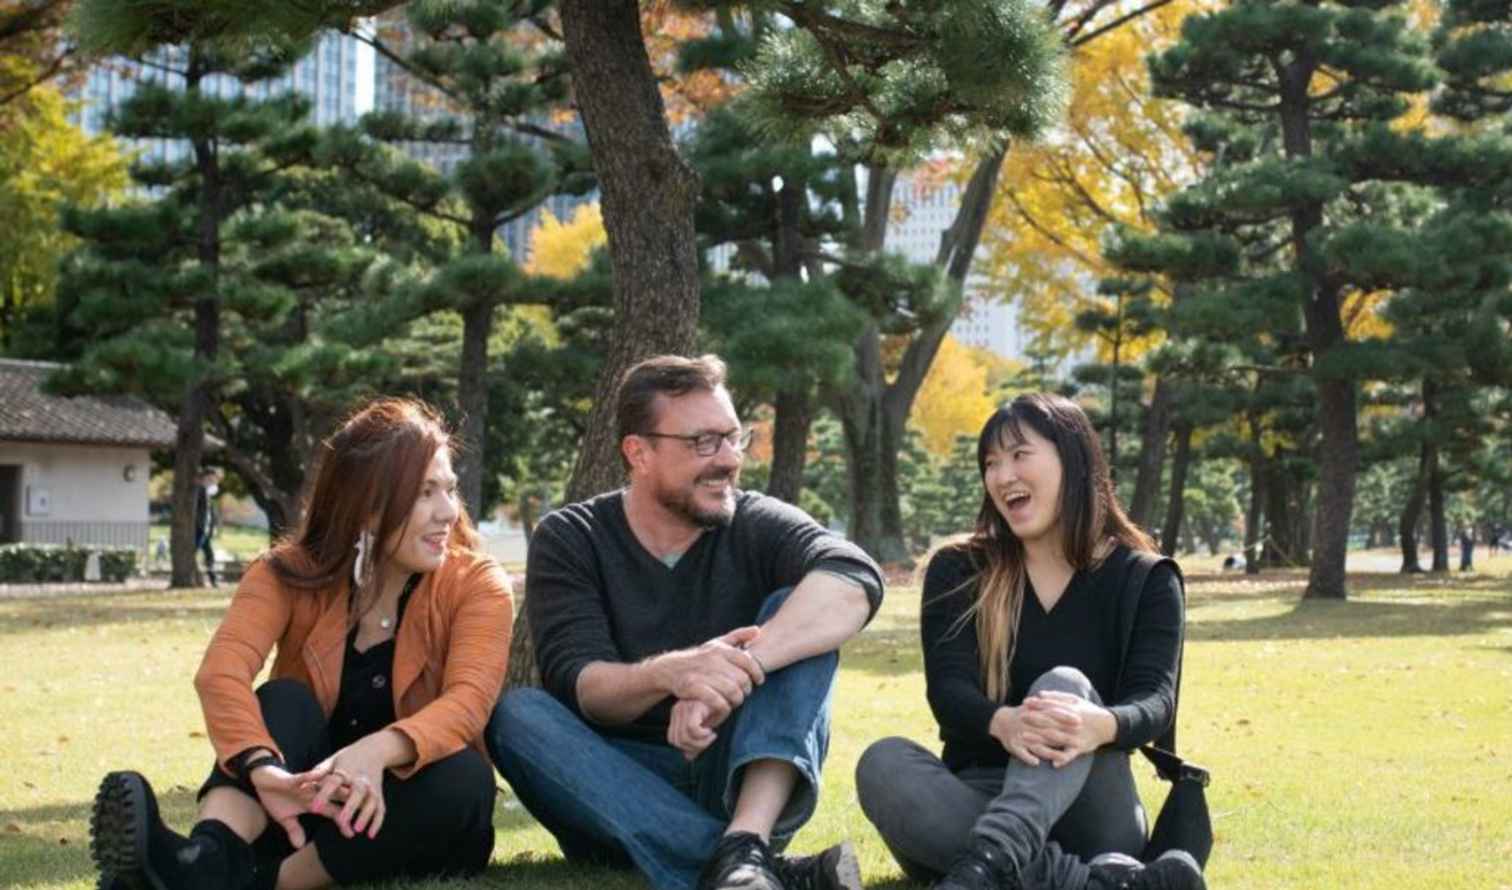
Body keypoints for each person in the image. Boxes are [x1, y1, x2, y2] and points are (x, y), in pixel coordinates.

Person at [487, 354, 884, 890]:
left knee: (801, 609)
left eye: (732, 438)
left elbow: (855, 578)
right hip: (611, 787)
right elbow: (582, 686)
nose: (727, 460)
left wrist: (733, 671)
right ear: (639, 452)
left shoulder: (757, 521)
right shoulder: (571, 537)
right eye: (703, 443)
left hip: (739, 778)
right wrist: (672, 675)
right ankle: (751, 865)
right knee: (517, 715)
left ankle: (745, 839)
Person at [90, 398, 514, 890]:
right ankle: (207, 854)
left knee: (463, 777)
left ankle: (245, 880)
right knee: (283, 700)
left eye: (449, 489)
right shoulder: (284, 573)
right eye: (425, 492)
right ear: (369, 509)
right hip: (296, 806)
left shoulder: (478, 583)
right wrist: (264, 768)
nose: (448, 511)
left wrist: (374, 754)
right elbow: (221, 673)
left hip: (415, 817)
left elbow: (467, 705)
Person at [855, 394, 1208, 890]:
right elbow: (950, 694)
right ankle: (1083, 883)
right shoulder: (961, 570)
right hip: (971, 802)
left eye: (1020, 455)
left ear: (1074, 459)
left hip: (1089, 801)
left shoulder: (1144, 578)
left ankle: (984, 866)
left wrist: (1099, 724)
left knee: (1063, 684)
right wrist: (1005, 723)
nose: (1002, 476)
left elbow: (1156, 701)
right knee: (882, 762)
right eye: (991, 463)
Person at [195, 468, 222, 587]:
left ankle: (212, 580)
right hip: (198, 530)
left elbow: (209, 515)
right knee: (197, 554)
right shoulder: (199, 491)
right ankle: (210, 580)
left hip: (205, 531)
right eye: (210, 479)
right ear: (203, 478)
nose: (213, 482)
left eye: (214, 480)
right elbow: (197, 513)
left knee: (209, 555)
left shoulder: (206, 493)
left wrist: (211, 529)